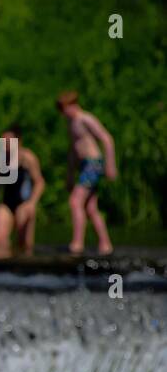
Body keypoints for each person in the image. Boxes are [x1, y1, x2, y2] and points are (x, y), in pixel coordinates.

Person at [56, 91, 117, 255]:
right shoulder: (71, 123)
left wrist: (110, 165)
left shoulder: (85, 119)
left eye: (64, 109)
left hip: (93, 164)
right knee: (90, 207)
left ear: (73, 105)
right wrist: (70, 174)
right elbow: (73, 151)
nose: (63, 113)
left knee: (75, 201)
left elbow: (107, 139)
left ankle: (77, 244)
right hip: (84, 165)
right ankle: (105, 245)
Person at [0, 125, 44, 258]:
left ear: (18, 141)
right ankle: (1, 267)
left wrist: (32, 203)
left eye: (8, 142)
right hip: (7, 204)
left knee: (24, 243)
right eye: (2, 142)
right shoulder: (1, 160)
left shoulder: (28, 158)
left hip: (24, 204)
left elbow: (39, 183)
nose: (5, 145)